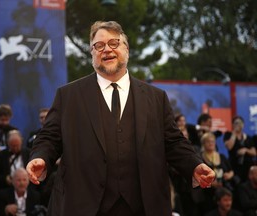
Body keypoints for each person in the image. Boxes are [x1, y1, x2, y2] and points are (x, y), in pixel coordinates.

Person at [26, 20, 215, 216]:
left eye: (113, 43)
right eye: (98, 46)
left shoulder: (156, 98)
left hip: (143, 206)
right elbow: (49, 137)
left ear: (126, 49)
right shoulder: (69, 96)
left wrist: (194, 164)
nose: (106, 49)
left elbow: (174, 142)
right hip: (84, 205)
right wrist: (40, 157)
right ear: (92, 54)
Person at [224, 116, 256, 182]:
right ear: (232, 125)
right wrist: (234, 133)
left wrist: (246, 150)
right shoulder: (228, 135)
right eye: (236, 123)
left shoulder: (248, 138)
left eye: (240, 123)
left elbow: (254, 153)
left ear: (243, 125)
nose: (238, 125)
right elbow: (229, 147)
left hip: (247, 166)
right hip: (234, 166)